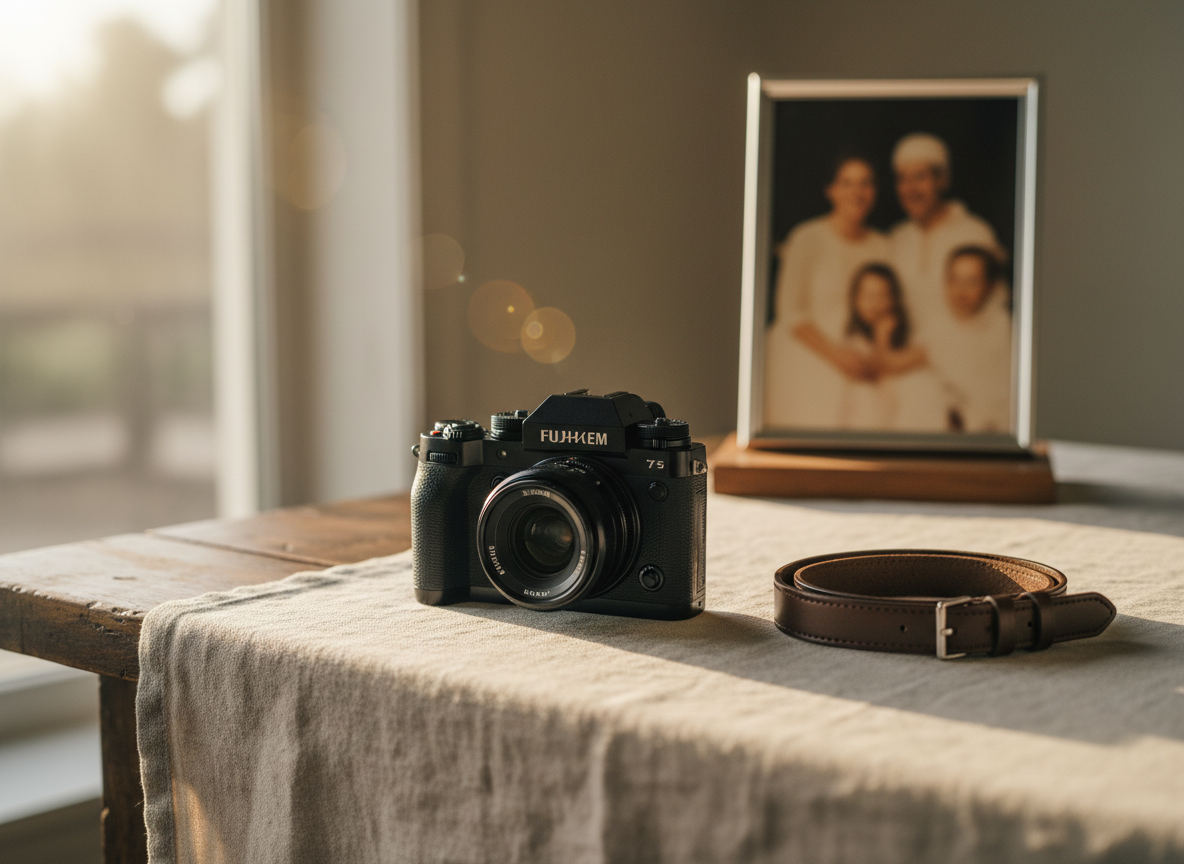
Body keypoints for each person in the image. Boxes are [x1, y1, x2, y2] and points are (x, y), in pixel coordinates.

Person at [764, 156, 891, 429]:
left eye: (865, 183)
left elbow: (889, 308)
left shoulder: (882, 246)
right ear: (831, 190)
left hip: (860, 346)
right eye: (847, 183)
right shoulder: (807, 238)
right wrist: (837, 356)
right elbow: (790, 311)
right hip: (807, 342)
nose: (857, 193)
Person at [888, 133, 1004, 339]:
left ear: (942, 180)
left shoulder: (975, 232)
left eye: (920, 177)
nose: (910, 189)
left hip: (965, 356)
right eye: (903, 179)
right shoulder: (897, 238)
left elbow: (994, 313)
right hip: (906, 359)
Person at [926, 246, 1013, 432]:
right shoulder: (936, 324)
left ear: (990, 286)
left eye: (971, 282)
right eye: (954, 280)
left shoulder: (1001, 328)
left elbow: (998, 397)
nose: (961, 291)